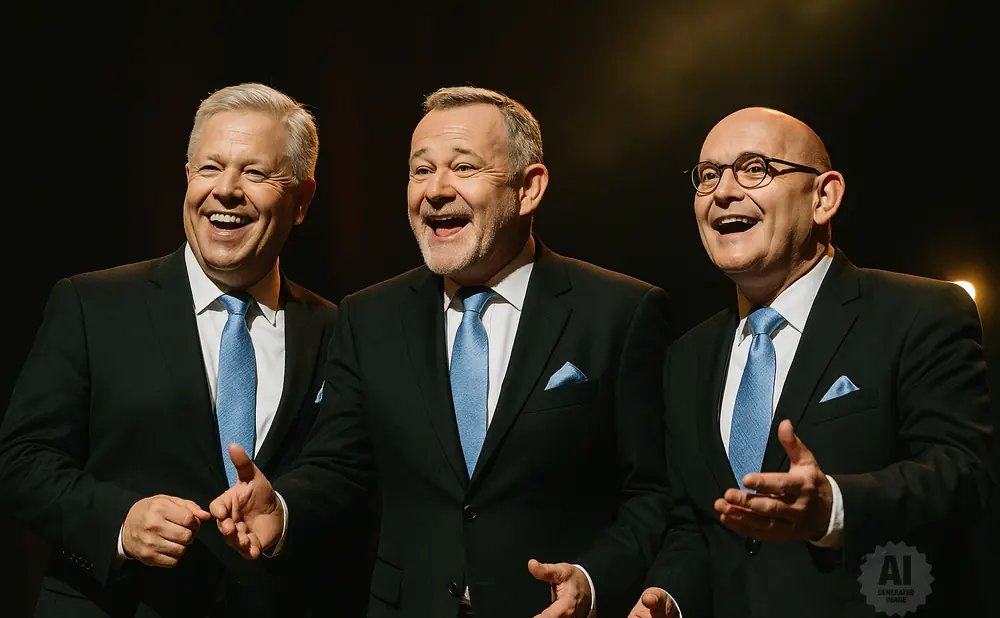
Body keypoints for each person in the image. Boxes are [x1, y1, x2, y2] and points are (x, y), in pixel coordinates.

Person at [208, 86, 674, 618]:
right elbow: (340, 464)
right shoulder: (370, 317)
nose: (435, 190)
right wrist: (283, 508)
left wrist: (593, 580)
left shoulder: (619, 312)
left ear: (529, 188)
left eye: (464, 167)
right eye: (421, 170)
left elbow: (653, 492)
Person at [0, 83, 373, 617]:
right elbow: (19, 460)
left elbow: (350, 478)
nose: (226, 190)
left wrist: (285, 511)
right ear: (187, 177)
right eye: (210, 168)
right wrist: (120, 523)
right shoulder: (91, 305)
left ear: (302, 200)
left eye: (255, 172)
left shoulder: (337, 330)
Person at [629, 107, 993, 618]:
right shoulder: (686, 358)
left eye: (754, 168)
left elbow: (963, 476)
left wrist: (833, 507)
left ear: (824, 197)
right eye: (707, 175)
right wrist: (668, 597)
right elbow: (696, 526)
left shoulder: (919, 312)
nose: (723, 192)